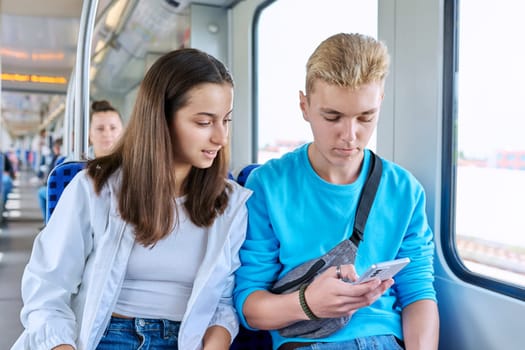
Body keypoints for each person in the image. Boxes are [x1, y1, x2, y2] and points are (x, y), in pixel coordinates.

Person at [13, 48, 251, 350]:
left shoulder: (229, 204)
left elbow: (222, 302)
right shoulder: (95, 188)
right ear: (161, 119)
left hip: (184, 340)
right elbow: (48, 288)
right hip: (104, 336)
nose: (221, 137)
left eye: (226, 121)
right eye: (204, 123)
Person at [233, 33, 439, 350]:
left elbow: (418, 293)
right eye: (332, 117)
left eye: (365, 117)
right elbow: (250, 307)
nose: (350, 136)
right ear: (305, 106)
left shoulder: (405, 190)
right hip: (305, 343)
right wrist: (307, 304)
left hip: (386, 341)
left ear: (380, 102)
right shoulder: (268, 185)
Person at [37, 137, 63, 220]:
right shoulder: (57, 158)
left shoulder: (59, 159)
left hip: (58, 189)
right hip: (56, 186)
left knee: (41, 192)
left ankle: (47, 222)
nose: (56, 149)